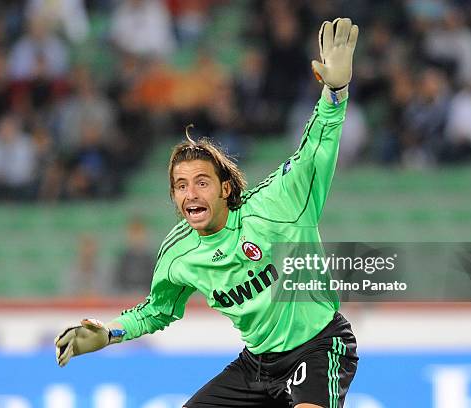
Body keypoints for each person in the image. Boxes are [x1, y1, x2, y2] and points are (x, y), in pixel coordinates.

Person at [55, 18, 359, 408]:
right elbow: (156, 311)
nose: (190, 193)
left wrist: (335, 92)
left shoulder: (275, 205)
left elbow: (315, 148)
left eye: (201, 182)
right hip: (257, 366)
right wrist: (111, 333)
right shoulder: (178, 255)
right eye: (180, 186)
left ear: (225, 188)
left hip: (318, 347)